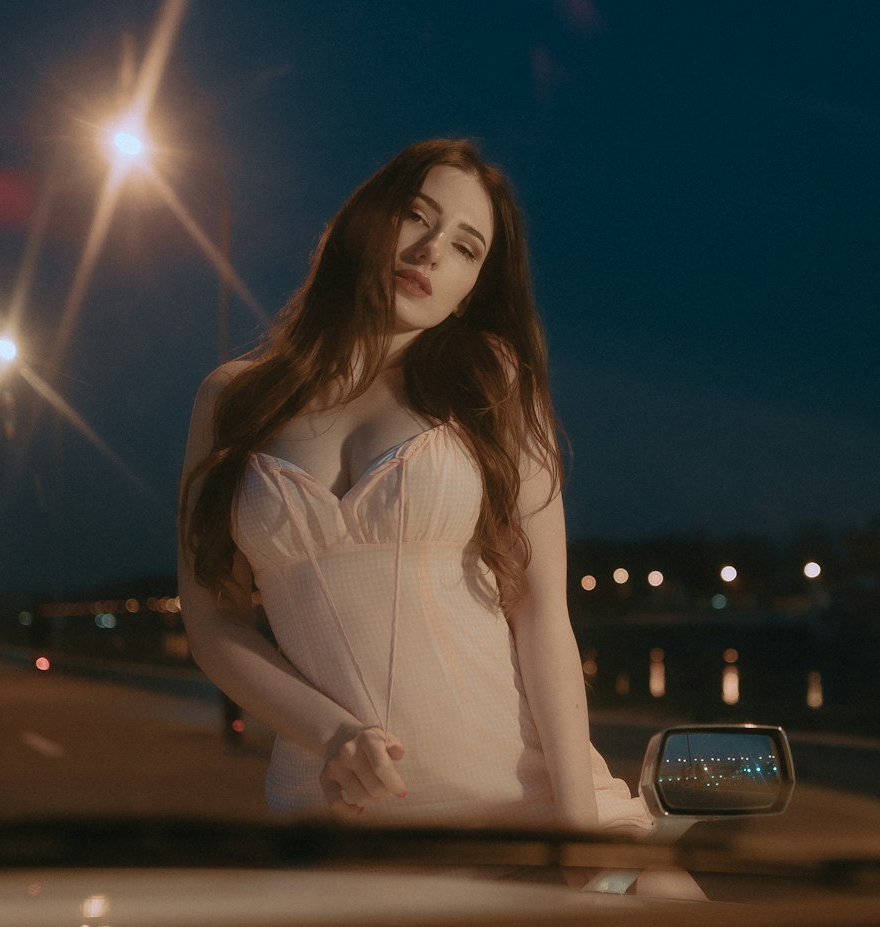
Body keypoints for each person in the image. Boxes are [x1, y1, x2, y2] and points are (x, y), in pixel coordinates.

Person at [178, 138, 652, 836]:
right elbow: (214, 622)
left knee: (684, 925)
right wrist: (333, 733)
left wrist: (576, 833)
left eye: (466, 248)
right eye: (417, 216)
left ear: (471, 294)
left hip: (523, 800)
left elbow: (543, 611)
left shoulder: (492, 384)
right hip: (335, 815)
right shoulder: (232, 399)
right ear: (366, 222)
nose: (432, 251)